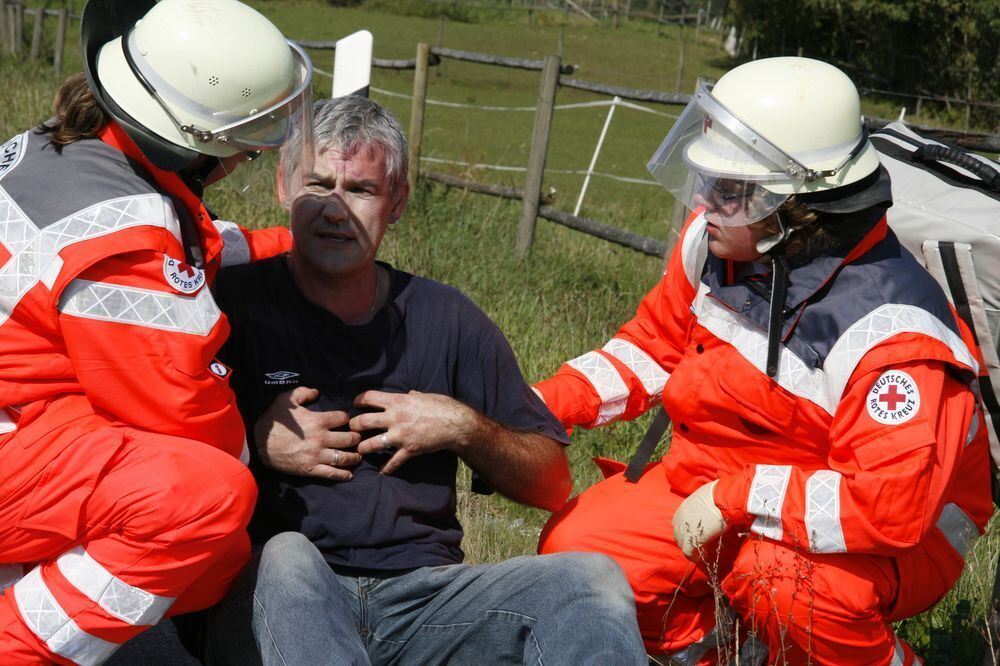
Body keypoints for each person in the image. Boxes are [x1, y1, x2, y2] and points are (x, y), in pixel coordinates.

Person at [534, 57, 993, 665]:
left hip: (890, 528)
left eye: (729, 188)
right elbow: (653, 348)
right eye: (708, 180)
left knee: (786, 585)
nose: (702, 200)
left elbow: (889, 508)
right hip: (730, 478)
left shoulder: (892, 333)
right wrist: (541, 407)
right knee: (579, 554)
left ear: (796, 204)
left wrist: (740, 498)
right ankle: (734, 653)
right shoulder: (719, 238)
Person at [186, 95, 647, 665]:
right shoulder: (226, 307)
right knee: (286, 554)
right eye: (317, 184)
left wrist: (463, 428)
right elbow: (154, 455)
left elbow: (551, 484)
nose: (335, 209)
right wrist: (250, 445)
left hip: (424, 601)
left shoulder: (446, 318)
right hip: (274, 596)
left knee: (590, 580)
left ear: (397, 202)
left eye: (360, 190)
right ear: (283, 186)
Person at [0, 0, 314, 661]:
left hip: (22, 415)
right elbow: (187, 418)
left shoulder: (73, 151)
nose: (252, 156)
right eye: (247, 144)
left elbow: (188, 238)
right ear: (205, 145)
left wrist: (286, 245)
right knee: (206, 500)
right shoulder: (127, 239)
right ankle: (19, 643)